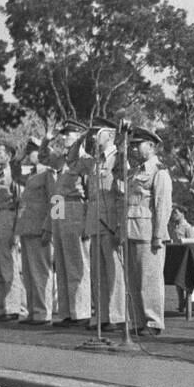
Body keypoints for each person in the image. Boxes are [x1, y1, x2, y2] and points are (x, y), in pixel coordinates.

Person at [117, 125, 172, 337]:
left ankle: (153, 321)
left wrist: (158, 235)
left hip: (149, 234)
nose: (132, 149)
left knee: (149, 280)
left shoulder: (158, 171)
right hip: (132, 230)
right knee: (133, 280)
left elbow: (162, 205)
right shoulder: (134, 172)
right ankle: (139, 320)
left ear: (151, 146)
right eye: (130, 145)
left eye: (137, 145)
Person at [47, 128, 93, 328]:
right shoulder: (61, 161)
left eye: (69, 135)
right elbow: (57, 193)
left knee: (77, 264)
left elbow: (91, 192)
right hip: (60, 209)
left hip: (76, 208)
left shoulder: (84, 161)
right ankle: (67, 312)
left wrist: (87, 222)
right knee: (63, 265)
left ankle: (81, 312)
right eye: (63, 134)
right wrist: (53, 224)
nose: (64, 138)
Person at [85, 120, 126, 332]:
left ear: (109, 136)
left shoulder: (118, 158)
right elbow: (72, 160)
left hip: (110, 220)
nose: (93, 138)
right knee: (97, 273)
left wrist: (120, 224)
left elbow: (121, 193)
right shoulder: (94, 161)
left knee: (114, 272)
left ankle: (117, 316)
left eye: (97, 133)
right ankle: (101, 316)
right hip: (94, 219)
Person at [16, 139, 56, 325]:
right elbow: (15, 173)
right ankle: (33, 311)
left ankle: (42, 312)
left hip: (40, 228)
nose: (30, 153)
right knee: (29, 272)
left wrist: (51, 227)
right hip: (27, 228)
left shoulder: (48, 173)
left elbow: (55, 200)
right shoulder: (31, 174)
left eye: (32, 150)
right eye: (29, 150)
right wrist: (20, 156)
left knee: (40, 272)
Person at [0, 142, 25, 322]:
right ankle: (0, 307)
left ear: (9, 155)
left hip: (7, 216)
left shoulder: (13, 175)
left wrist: (16, 231)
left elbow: (19, 203)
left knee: (7, 263)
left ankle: (12, 307)